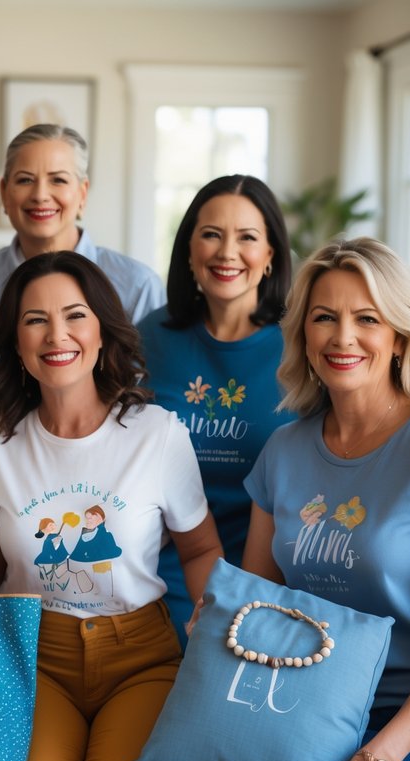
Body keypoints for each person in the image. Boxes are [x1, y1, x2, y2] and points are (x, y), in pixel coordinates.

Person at [155, 238, 410, 761]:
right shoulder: (284, 450)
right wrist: (215, 620)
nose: (343, 337)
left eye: (367, 319)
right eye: (324, 317)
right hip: (292, 699)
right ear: (304, 335)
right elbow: (260, 597)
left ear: (399, 334)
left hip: (408, 720)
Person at [0, 250, 223, 761]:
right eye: (35, 320)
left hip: (142, 659)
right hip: (37, 658)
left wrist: (212, 624)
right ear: (17, 342)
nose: (57, 335)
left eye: (74, 316)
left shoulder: (156, 433)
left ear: (101, 331)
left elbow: (199, 549)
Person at [137, 174, 294, 645]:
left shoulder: (302, 347)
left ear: (270, 256)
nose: (227, 252)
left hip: (268, 577)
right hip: (157, 579)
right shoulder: (148, 337)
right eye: (211, 235)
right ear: (189, 250)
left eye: (247, 237)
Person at [0, 124, 164, 365]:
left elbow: (150, 385)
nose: (40, 195)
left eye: (58, 180)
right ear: (4, 193)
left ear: (82, 193)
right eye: (25, 180)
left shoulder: (138, 286)